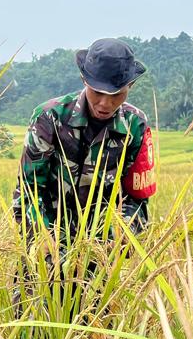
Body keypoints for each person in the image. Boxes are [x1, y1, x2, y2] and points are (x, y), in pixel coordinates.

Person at [11, 37, 156, 249]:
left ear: (130, 86)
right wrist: (42, 240)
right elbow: (27, 193)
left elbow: (137, 199)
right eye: (97, 92)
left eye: (116, 94)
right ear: (83, 80)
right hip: (45, 250)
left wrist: (122, 233)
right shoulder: (50, 118)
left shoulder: (136, 126)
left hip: (101, 253)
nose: (105, 103)